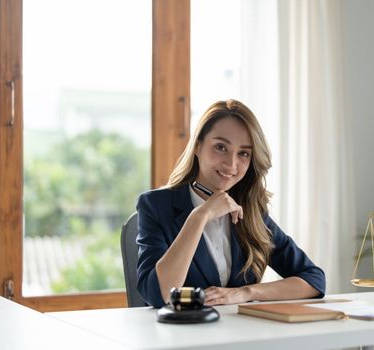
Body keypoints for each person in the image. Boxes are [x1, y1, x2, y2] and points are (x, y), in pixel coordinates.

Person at [136, 99, 325, 308]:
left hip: (240, 336)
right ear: (198, 146)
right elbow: (157, 295)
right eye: (221, 147)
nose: (231, 164)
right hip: (182, 336)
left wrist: (245, 293)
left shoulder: (251, 211)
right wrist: (200, 216)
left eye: (243, 153)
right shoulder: (155, 205)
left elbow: (313, 280)